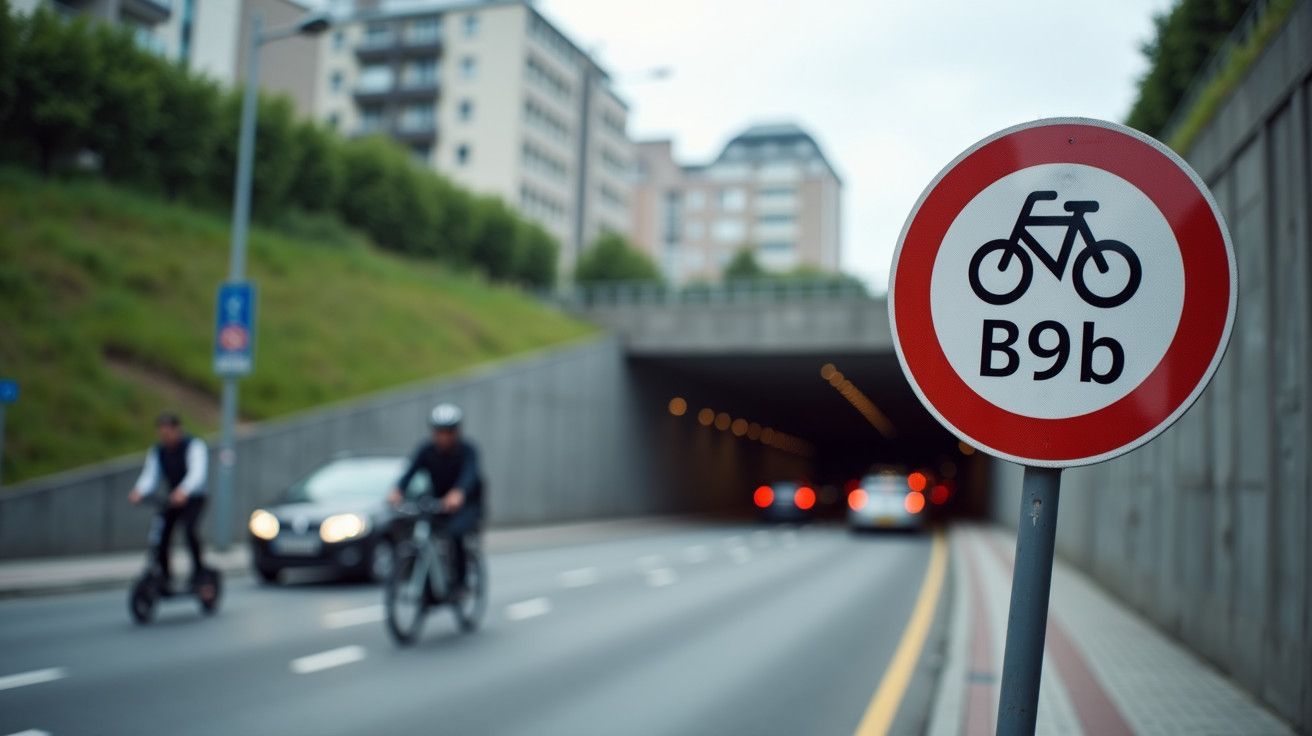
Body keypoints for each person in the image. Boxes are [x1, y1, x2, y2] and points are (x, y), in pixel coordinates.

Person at [389, 403, 483, 595]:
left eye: (449, 432)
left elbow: (470, 475)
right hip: (438, 502)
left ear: (457, 432)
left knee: (455, 534)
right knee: (416, 530)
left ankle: (459, 583)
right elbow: (410, 471)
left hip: (465, 504)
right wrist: (398, 490)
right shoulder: (426, 449)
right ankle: (423, 581)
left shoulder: (468, 450)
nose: (444, 437)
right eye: (440, 432)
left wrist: (458, 493)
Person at [128, 413, 209, 590]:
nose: (165, 438)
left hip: (193, 498)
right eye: (162, 434)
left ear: (177, 430)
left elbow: (197, 473)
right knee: (162, 536)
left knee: (189, 531)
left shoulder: (194, 446)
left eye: (168, 433)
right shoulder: (158, 451)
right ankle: (165, 575)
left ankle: (199, 572)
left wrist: (184, 490)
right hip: (173, 499)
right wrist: (139, 491)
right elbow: (150, 475)